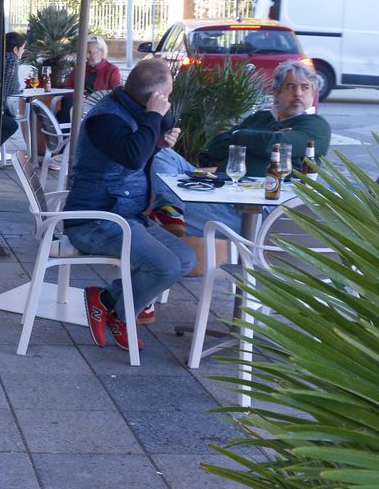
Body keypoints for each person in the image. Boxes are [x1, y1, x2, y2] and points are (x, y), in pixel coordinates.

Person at [63, 58, 197, 351]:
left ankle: (107, 300)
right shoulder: (106, 119)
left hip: (125, 216)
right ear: (153, 98)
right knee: (164, 267)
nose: (169, 102)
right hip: (93, 221)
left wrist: (158, 138)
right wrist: (152, 118)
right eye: (167, 96)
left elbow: (149, 139)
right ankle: (122, 318)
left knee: (185, 259)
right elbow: (133, 156)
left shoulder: (132, 108)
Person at [152, 59, 332, 238]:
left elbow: (272, 146)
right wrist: (260, 137)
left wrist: (241, 135)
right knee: (163, 154)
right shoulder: (260, 118)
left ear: (313, 93)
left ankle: (162, 216)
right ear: (276, 93)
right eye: (291, 87)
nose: (298, 93)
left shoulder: (316, 126)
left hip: (264, 208)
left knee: (148, 215)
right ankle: (170, 209)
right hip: (223, 192)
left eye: (305, 87)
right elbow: (215, 147)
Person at [57, 35, 123, 123]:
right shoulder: (80, 68)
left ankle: (66, 133)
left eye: (90, 52)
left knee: (66, 106)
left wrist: (89, 99)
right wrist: (76, 95)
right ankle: (68, 133)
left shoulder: (112, 70)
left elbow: (117, 94)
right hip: (77, 104)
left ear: (101, 52)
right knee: (66, 103)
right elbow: (66, 87)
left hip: (98, 107)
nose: (87, 56)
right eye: (85, 52)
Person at [2, 31, 27, 144]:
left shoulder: (1, 56)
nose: (23, 51)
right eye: (22, 48)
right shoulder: (11, 59)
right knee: (12, 126)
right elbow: (11, 90)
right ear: (15, 49)